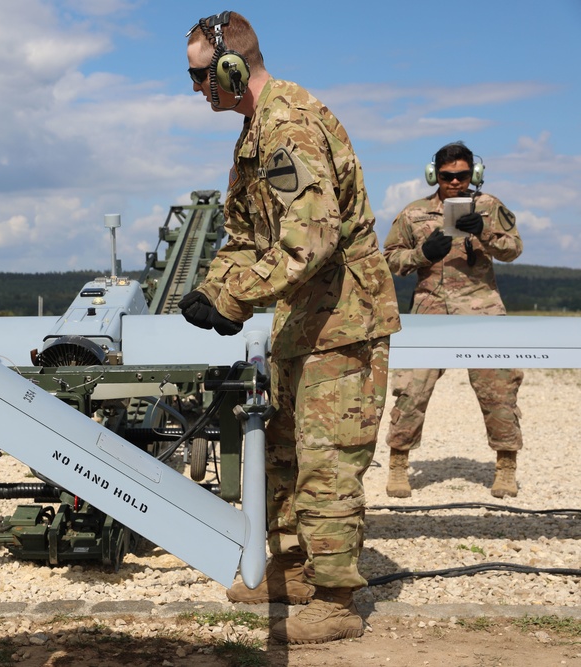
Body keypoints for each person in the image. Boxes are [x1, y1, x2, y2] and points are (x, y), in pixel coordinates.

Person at [179, 11, 400, 644]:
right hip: (303, 319)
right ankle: (299, 568)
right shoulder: (255, 132)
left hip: (342, 320)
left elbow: (312, 240)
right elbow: (248, 235)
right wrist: (212, 291)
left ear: (230, 68)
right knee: (282, 449)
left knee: (327, 460)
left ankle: (335, 599)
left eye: (199, 77)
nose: (196, 90)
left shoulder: (288, 129)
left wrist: (238, 298)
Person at [382, 141, 524, 499]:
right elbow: (388, 261)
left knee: (499, 388)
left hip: (482, 309)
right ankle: (398, 462)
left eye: (462, 176)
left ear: (473, 174)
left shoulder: (489, 207)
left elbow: (514, 249)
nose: (455, 183)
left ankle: (506, 464)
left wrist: (484, 232)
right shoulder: (413, 214)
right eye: (447, 177)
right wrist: (421, 254)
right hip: (430, 309)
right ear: (435, 176)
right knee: (411, 389)